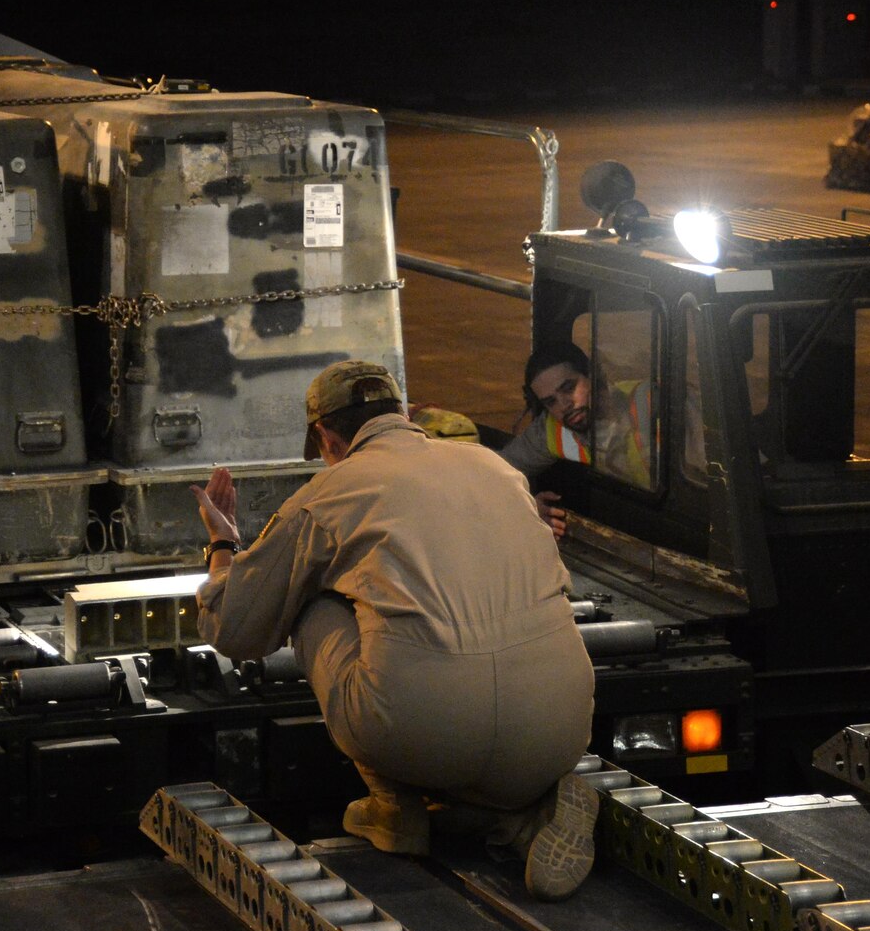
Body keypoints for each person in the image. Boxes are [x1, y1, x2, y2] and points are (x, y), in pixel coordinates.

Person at [191, 360, 598, 901]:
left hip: (418, 733)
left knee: (311, 599)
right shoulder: (497, 469)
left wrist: (223, 546)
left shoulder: (330, 491)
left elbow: (234, 628)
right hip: (560, 729)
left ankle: (394, 804)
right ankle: (520, 821)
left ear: (327, 438)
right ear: (406, 416)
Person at [501, 342, 654, 498]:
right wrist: (529, 505)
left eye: (568, 388)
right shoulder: (554, 430)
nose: (563, 405)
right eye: (550, 401)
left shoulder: (651, 403)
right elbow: (495, 473)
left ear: (593, 375)